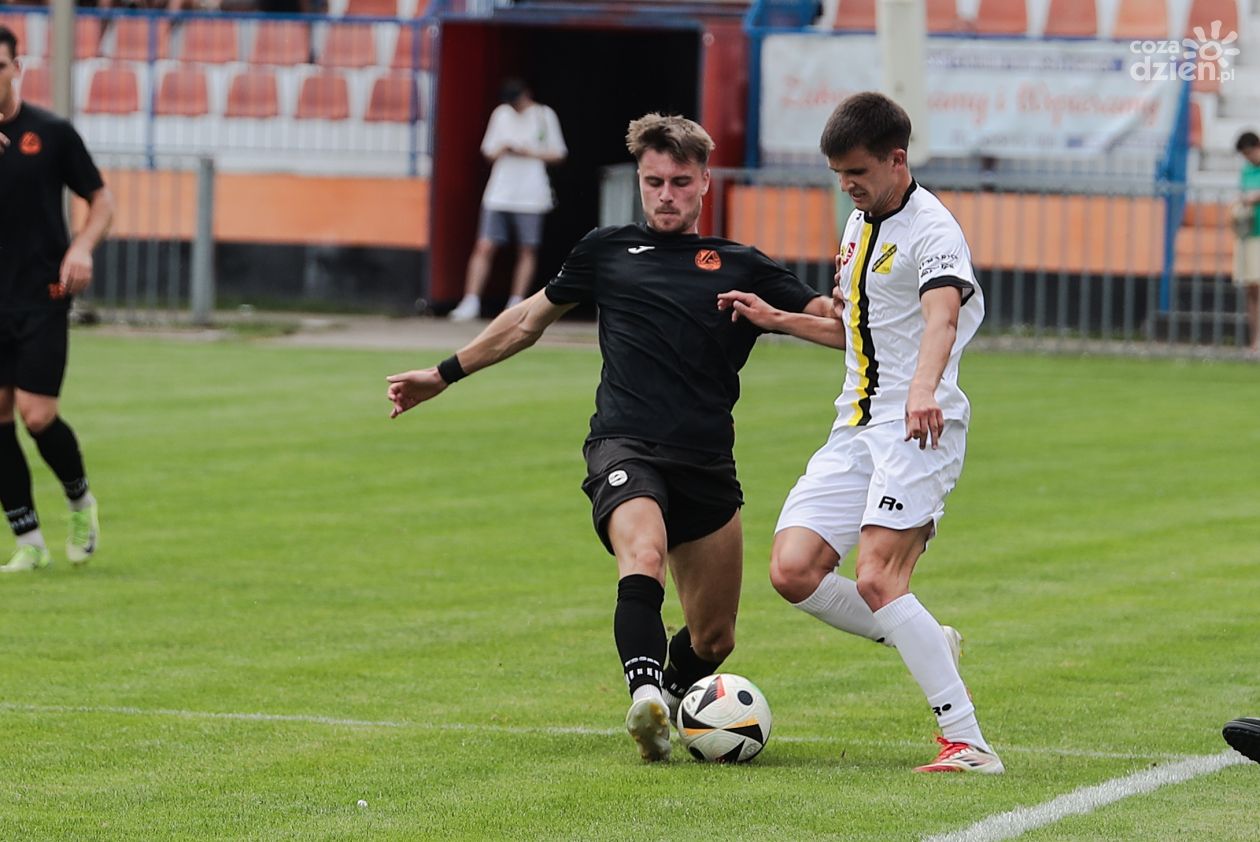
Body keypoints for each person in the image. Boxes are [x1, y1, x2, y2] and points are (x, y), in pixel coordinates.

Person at [388, 113, 841, 761]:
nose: (666, 195)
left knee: (715, 639)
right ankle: (645, 694)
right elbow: (525, 321)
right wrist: (442, 374)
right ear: (639, 182)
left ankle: (669, 705)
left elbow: (831, 320)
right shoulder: (606, 250)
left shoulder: (741, 264)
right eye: (654, 182)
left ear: (704, 183)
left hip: (707, 460)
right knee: (644, 553)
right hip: (624, 445)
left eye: (679, 182)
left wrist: (838, 302)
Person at [716, 92, 1003, 773]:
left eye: (856, 171)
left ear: (896, 160)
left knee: (877, 576)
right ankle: (925, 637)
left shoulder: (933, 231)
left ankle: (967, 742)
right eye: (838, 173)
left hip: (919, 424)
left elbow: (941, 320)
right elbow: (858, 332)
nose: (846, 184)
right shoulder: (857, 223)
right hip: (855, 424)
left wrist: (924, 389)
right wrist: (777, 319)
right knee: (793, 571)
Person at [0, 25, 113, 573]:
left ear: (16, 69)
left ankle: (80, 502)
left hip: (42, 292)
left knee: (37, 414)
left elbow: (101, 200)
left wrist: (83, 247)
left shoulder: (50, 132)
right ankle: (29, 541)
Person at [448, 79, 567, 322]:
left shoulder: (544, 115)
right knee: (485, 245)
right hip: (499, 192)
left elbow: (559, 154)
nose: (515, 106)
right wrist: (503, 148)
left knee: (527, 248)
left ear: (527, 94)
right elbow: (488, 152)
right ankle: (471, 300)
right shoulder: (501, 114)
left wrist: (529, 152)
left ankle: (516, 301)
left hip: (531, 194)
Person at [1230, 131, 1260, 352]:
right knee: (1251, 289)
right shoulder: (1246, 171)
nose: (1248, 157)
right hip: (1250, 234)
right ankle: (1255, 339)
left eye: (1250, 152)